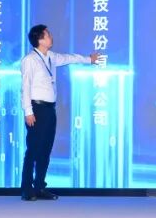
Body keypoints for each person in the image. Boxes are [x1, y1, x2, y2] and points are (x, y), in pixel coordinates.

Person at [20, 24, 99, 201]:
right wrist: (28, 111)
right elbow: (25, 87)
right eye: (48, 35)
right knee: (33, 150)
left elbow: (69, 58)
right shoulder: (29, 60)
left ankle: (40, 187)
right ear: (40, 39)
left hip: (50, 109)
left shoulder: (51, 57)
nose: (51, 37)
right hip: (36, 109)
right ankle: (26, 189)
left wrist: (89, 59)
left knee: (45, 149)